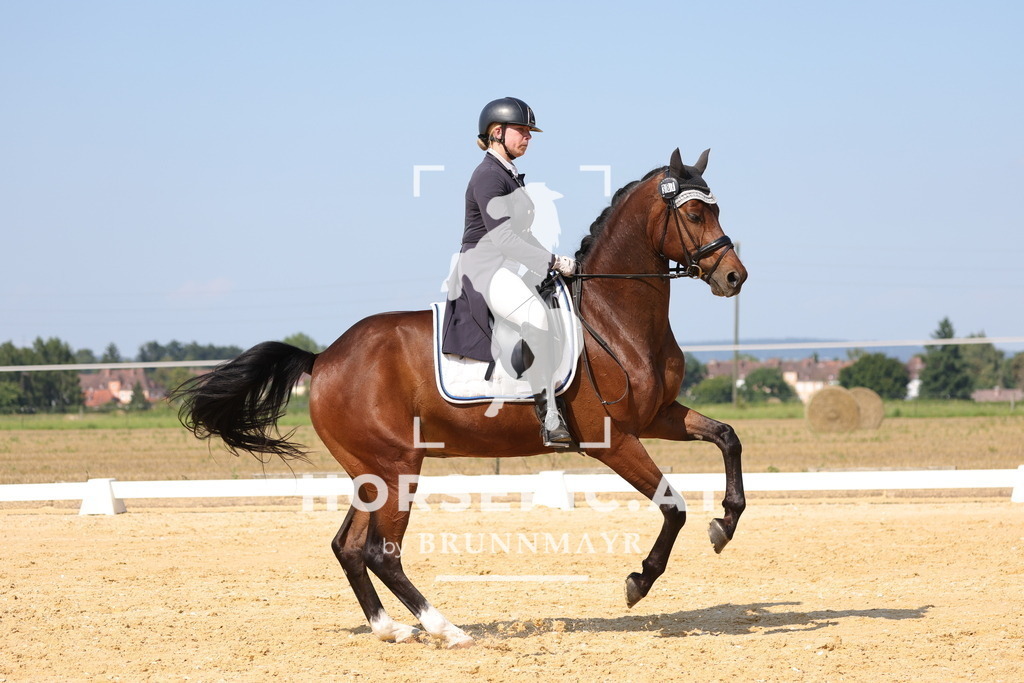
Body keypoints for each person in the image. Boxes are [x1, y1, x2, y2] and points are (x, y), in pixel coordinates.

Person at [441, 97, 576, 448]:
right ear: (497, 133)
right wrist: (550, 262)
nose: (528, 137)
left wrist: (553, 260)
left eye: (530, 132)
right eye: (522, 130)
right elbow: (501, 236)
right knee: (536, 317)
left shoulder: (508, 174)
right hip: (484, 268)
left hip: (507, 264)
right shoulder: (487, 175)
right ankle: (549, 417)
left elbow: (521, 234)